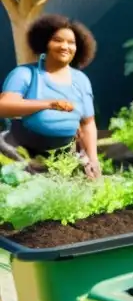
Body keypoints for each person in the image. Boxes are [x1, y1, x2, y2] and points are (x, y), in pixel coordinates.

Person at [0, 14, 100, 178]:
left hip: (64, 158)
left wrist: (93, 160)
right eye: (57, 40)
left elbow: (88, 124)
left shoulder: (81, 80)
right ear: (45, 43)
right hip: (20, 154)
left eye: (71, 42)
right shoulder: (24, 74)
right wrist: (49, 104)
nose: (65, 46)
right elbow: (4, 107)